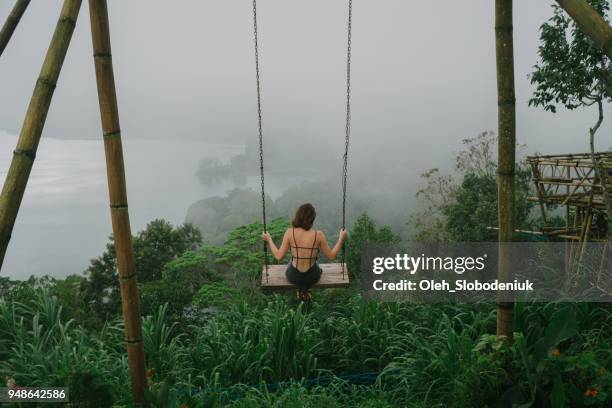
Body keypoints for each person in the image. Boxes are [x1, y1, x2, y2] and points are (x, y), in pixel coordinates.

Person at [262, 203, 347, 301]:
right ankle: (306, 290)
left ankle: (300, 289)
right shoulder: (318, 235)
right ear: (312, 219)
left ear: (298, 216)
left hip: (294, 276)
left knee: (292, 261)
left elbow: (278, 256)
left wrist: (269, 239)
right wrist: (341, 238)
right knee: (316, 265)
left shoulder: (290, 232)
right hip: (312, 277)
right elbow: (332, 256)